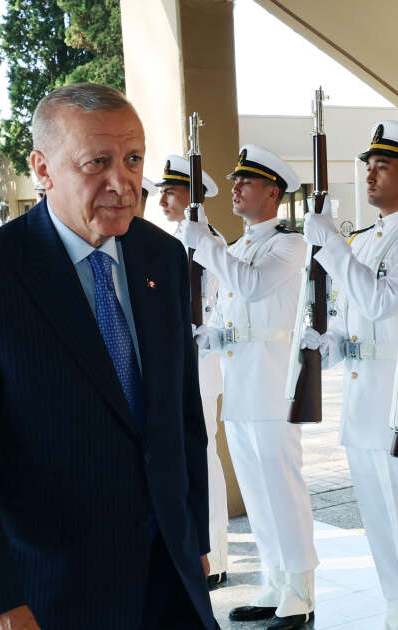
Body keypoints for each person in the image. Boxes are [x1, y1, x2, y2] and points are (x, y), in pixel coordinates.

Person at [0, 82, 217, 629]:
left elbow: (181, 414)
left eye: (132, 159)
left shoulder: (164, 258)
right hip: (44, 593)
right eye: (96, 162)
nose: (121, 183)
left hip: (167, 582)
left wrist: (193, 537)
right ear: (43, 167)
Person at [301, 120, 398, 629]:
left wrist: (331, 248)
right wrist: (330, 343)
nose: (369, 173)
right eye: (368, 164)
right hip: (366, 401)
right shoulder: (366, 240)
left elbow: (384, 301)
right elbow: (354, 317)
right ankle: (397, 610)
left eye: (383, 166)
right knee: (380, 519)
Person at [178, 144, 316, 630]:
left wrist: (206, 245)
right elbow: (226, 313)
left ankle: (300, 592)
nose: (235, 188)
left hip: (274, 385)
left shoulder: (290, 245)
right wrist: (205, 334)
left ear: (272, 192)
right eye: (235, 181)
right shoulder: (236, 248)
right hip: (241, 387)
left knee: (283, 489)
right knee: (257, 493)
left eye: (246, 182)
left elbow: (254, 287)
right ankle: (275, 584)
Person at [157, 154, 230, 589]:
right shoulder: (166, 241)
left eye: (171, 191)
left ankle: (216, 554)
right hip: (169, 368)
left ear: (194, 198)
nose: (162, 198)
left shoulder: (210, 244)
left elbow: (216, 308)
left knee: (203, 462)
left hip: (199, 369)